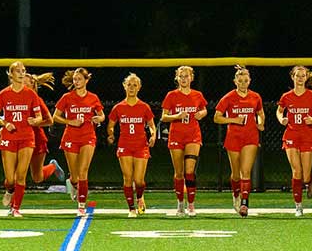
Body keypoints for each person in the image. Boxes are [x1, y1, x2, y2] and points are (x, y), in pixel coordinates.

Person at [0, 61, 46, 218]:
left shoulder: (31, 94)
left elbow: (39, 116)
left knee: (21, 175)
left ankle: (15, 208)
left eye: (24, 71)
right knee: (10, 178)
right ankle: (9, 189)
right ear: (11, 74)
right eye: (18, 71)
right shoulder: (4, 93)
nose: (22, 74)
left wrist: (35, 121)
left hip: (26, 137)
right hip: (9, 137)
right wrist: (5, 123)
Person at [52, 68, 106, 217]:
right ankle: (72, 183)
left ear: (86, 80)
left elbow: (102, 115)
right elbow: (55, 116)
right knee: (75, 175)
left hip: (88, 136)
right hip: (70, 137)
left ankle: (81, 205)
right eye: (75, 79)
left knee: (83, 171)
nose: (76, 82)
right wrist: (70, 121)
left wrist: (98, 118)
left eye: (79, 79)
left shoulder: (93, 98)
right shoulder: (67, 97)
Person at [213, 65, 265, 217]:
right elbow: (217, 117)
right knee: (236, 174)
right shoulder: (228, 97)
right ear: (235, 81)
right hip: (234, 137)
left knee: (246, 171)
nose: (243, 83)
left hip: (250, 137)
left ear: (250, 81)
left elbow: (260, 113)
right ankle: (236, 194)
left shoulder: (255, 97)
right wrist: (233, 119)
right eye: (240, 81)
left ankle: (245, 203)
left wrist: (261, 123)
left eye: (246, 80)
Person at [276, 66, 312, 216]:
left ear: (306, 78)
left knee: (305, 174)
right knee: (296, 171)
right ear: (293, 77)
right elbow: (279, 111)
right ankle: (298, 205)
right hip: (291, 135)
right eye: (298, 75)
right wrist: (281, 119)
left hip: (307, 136)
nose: (300, 78)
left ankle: (310, 181)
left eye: (303, 76)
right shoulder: (286, 96)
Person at [107, 73, 157, 217]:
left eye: (135, 85)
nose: (131, 87)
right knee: (128, 178)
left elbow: (151, 125)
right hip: (125, 145)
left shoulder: (144, 107)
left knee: (139, 180)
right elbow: (111, 125)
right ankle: (131, 208)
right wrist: (111, 134)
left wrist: (153, 135)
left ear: (139, 88)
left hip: (141, 145)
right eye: (129, 84)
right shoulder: (118, 107)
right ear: (124, 86)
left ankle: (140, 196)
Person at [161, 66, 207, 217]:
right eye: (181, 76)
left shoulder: (197, 95)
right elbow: (164, 117)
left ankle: (191, 204)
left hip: (193, 135)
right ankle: (180, 202)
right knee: (179, 172)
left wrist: (201, 113)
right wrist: (177, 116)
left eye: (186, 76)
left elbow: (204, 109)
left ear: (191, 78)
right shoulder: (171, 95)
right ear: (177, 78)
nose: (184, 79)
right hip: (176, 136)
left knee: (189, 171)